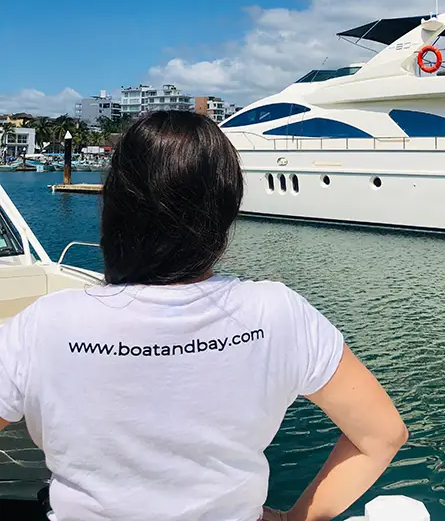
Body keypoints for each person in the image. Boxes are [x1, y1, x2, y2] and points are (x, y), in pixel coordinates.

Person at [0, 111, 408, 521]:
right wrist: (292, 519)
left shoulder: (45, 323)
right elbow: (383, 436)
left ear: (116, 204)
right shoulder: (278, 312)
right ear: (226, 207)